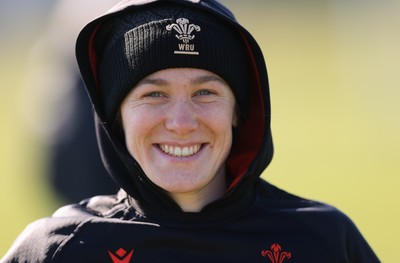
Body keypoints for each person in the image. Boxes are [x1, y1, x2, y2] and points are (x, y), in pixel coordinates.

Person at [1, 0, 380, 262]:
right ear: (116, 117)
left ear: (239, 112)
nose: (181, 122)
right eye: (154, 95)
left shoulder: (324, 242)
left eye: (205, 92)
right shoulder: (58, 250)